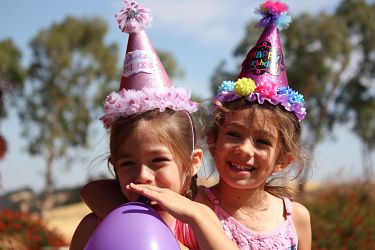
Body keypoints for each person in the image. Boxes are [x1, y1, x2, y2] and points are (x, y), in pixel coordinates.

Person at [80, 0, 312, 249]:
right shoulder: (191, 204)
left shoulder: (295, 217)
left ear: (283, 159)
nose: (244, 149)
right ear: (213, 141)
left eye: (262, 141)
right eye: (234, 134)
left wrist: (197, 216)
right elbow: (96, 191)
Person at [70, 1, 238, 250]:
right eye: (127, 164)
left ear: (193, 163)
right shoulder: (95, 225)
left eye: (158, 160)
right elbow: (92, 190)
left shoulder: (198, 225)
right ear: (113, 167)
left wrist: (196, 216)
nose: (142, 176)